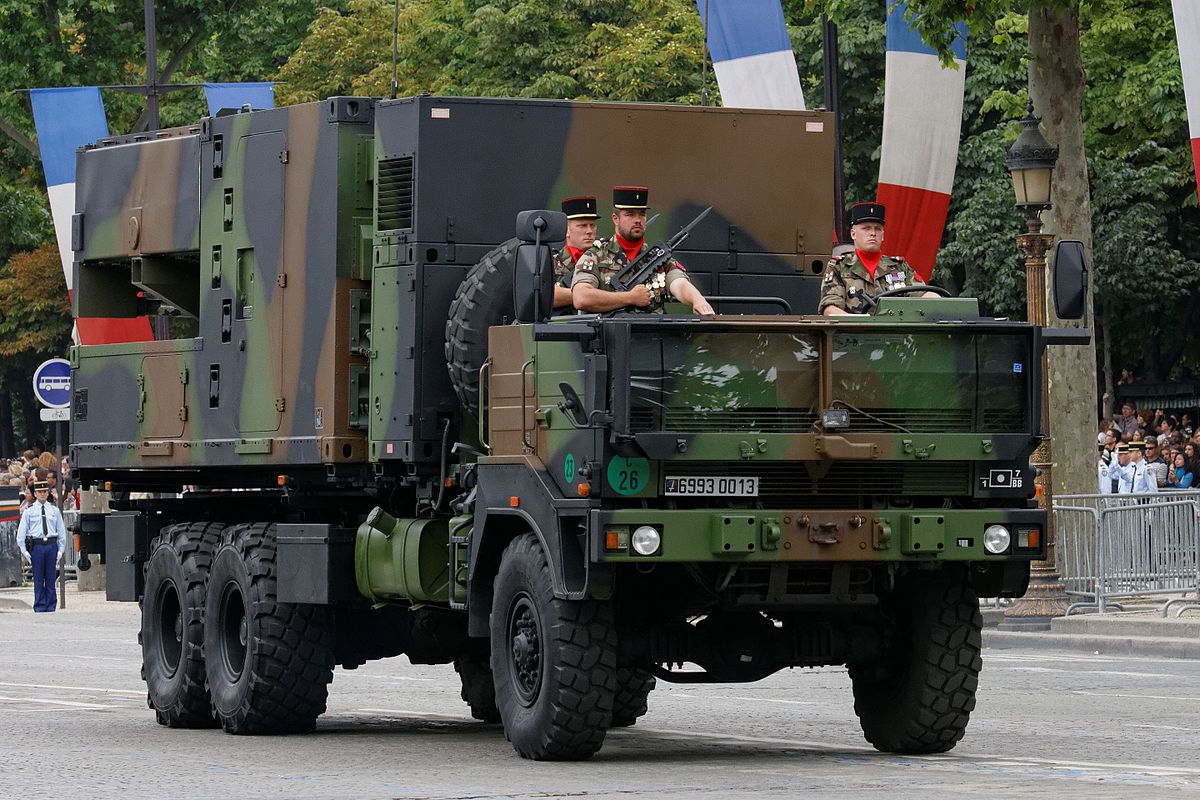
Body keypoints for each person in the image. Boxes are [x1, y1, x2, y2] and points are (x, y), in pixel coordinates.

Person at [572, 186, 715, 315]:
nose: (638, 220)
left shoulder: (656, 257)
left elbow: (679, 283)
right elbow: (582, 298)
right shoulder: (595, 256)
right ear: (616, 219)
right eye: (630, 214)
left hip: (653, 337)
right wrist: (629, 298)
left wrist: (698, 300)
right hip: (612, 339)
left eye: (642, 214)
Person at [818, 202, 940, 315]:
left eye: (877, 228)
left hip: (897, 333)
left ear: (883, 235)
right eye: (866, 228)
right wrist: (858, 322)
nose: (873, 233)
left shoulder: (899, 267)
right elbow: (830, 309)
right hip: (855, 333)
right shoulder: (839, 267)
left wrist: (939, 302)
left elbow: (923, 294)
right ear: (853, 234)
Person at [16, 480, 66, 612]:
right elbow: (21, 533)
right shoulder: (29, 511)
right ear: (35, 494)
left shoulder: (54, 510)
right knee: (38, 578)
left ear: (48, 492)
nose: (42, 494)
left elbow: (61, 532)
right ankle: (39, 605)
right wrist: (24, 550)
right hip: (37, 545)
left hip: (50, 544)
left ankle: (50, 605)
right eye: (39, 492)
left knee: (50, 577)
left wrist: (61, 549)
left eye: (44, 491)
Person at [552, 196, 599, 309]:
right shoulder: (552, 263)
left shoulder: (606, 258)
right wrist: (587, 295)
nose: (589, 231)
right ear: (566, 229)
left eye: (592, 225)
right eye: (582, 225)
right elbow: (546, 297)